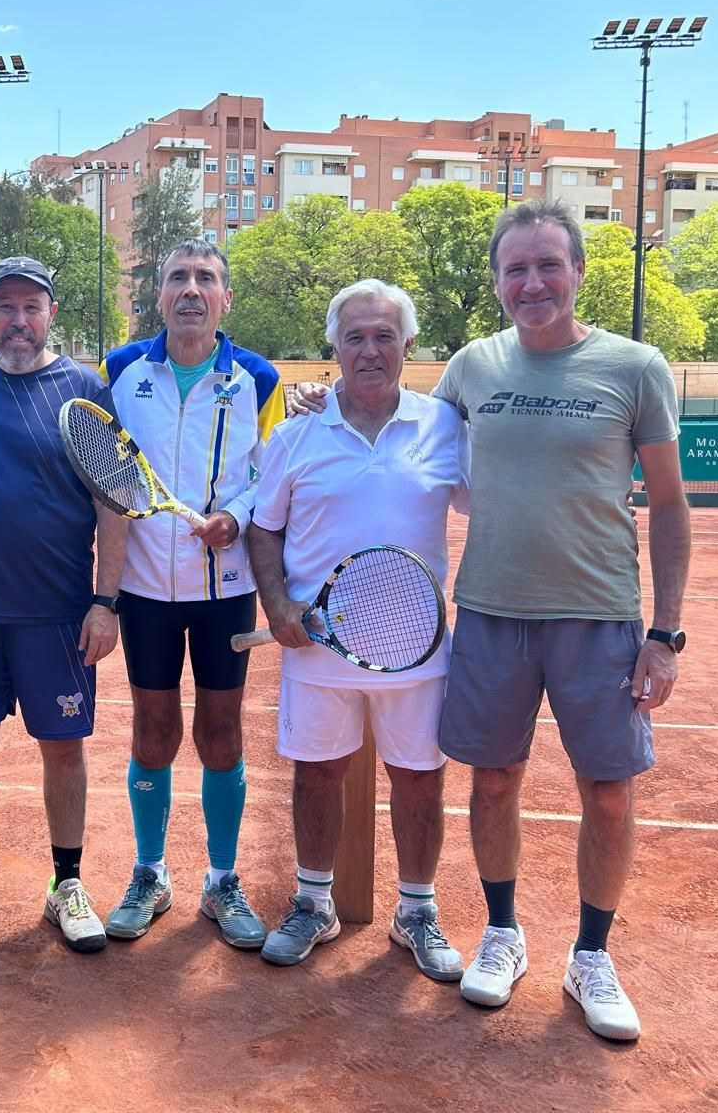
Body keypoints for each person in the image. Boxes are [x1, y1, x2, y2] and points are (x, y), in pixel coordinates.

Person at [294, 199, 691, 1039]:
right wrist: (322, 399)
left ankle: (591, 956)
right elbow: (392, 413)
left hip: (600, 617)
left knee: (608, 793)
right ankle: (502, 934)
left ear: (578, 271)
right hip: (491, 615)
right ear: (498, 281)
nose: (533, 282)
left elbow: (670, 504)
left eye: (548, 264)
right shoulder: (472, 368)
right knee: (495, 780)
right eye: (517, 268)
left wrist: (665, 633)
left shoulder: (636, 368)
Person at [246, 280, 468, 977]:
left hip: (417, 650)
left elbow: (494, 504)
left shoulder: (445, 426)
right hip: (318, 648)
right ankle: (314, 902)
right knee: (317, 775)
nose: (370, 350)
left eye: (384, 336)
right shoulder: (295, 433)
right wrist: (278, 606)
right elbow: (263, 528)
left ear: (408, 345)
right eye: (355, 337)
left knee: (420, 779)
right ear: (335, 348)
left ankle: (417, 911)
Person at [0, 257, 127, 956]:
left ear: (51, 314)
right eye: (5, 306)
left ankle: (67, 884)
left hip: (59, 611)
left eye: (31, 307)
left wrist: (105, 602)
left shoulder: (86, 389)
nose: (19, 320)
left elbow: (112, 502)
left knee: (63, 750)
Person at [98, 239, 284, 949]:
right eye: (178, 277)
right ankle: (149, 871)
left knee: (220, 732)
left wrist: (235, 514)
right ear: (159, 295)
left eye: (206, 279)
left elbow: (274, 473)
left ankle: (222, 878)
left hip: (224, 587)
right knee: (152, 730)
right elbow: (105, 470)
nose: (191, 290)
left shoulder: (258, 377)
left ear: (225, 298)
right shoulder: (120, 369)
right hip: (144, 586)